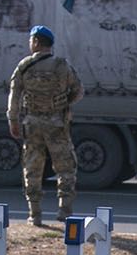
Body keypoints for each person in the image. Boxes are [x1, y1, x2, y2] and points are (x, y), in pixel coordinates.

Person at [6, 25, 83, 227]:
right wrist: (63, 103)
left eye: (31, 40)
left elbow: (14, 98)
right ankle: (64, 211)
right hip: (57, 124)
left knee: (32, 168)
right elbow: (78, 91)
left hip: (32, 125)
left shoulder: (23, 66)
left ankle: (35, 214)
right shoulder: (62, 66)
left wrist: (13, 121)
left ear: (37, 42)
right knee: (65, 167)